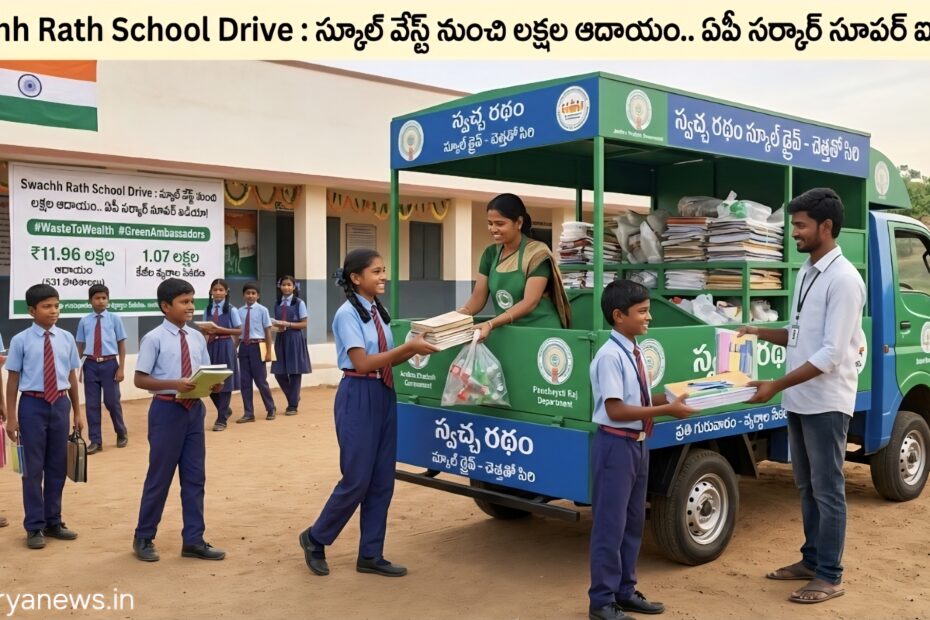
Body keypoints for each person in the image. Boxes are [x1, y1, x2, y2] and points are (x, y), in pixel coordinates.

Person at [741, 188, 866, 605]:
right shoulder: (806, 272)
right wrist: (759, 332)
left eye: (800, 225)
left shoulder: (845, 279)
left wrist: (775, 385)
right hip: (798, 398)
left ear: (825, 227)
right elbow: (798, 334)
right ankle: (811, 560)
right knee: (806, 486)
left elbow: (831, 353)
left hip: (826, 401)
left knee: (828, 489)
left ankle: (830, 575)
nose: (793, 232)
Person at [298, 249, 437, 577]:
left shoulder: (376, 310)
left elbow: (386, 358)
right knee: (357, 478)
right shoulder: (347, 314)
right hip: (359, 394)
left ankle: (371, 554)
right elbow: (361, 362)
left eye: (383, 270)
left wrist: (416, 347)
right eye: (376, 271)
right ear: (356, 278)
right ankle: (315, 537)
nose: (383, 276)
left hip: (384, 393)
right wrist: (407, 348)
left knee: (382, 479)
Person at [587, 279, 695, 620]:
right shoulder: (609, 356)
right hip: (615, 446)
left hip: (637, 445)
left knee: (633, 523)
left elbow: (641, 401)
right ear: (619, 316)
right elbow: (617, 410)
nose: (649, 318)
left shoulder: (633, 350)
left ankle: (625, 590)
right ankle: (601, 602)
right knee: (610, 526)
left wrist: (678, 395)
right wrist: (666, 411)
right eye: (643, 312)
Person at [132, 278, 225, 562]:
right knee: (159, 477)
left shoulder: (197, 337)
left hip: (194, 412)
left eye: (191, 301)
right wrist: (175, 383)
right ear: (165, 306)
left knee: (195, 478)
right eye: (184, 302)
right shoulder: (154, 338)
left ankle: (194, 539)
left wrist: (214, 384)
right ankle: (144, 537)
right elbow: (140, 379)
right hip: (166, 411)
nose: (190, 307)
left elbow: (204, 370)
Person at [2, 284, 84, 550]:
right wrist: (12, 418)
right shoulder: (21, 340)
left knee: (57, 466)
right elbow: (13, 380)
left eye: (56, 306)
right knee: (32, 469)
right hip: (32, 407)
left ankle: (54, 521)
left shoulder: (66, 338)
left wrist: (78, 411)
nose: (54, 311)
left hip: (60, 405)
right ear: (31, 310)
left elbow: (71, 376)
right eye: (47, 306)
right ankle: (34, 526)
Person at [457, 193, 571, 338]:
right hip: (509, 332)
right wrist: (460, 314)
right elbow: (478, 296)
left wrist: (491, 324)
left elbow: (530, 302)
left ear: (518, 223)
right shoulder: (490, 254)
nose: (493, 229)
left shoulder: (536, 253)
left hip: (541, 334)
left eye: (499, 224)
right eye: (490, 223)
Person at [75, 284, 128, 454]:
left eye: (104, 298)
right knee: (91, 404)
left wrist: (121, 368)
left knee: (112, 402)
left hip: (110, 364)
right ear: (90, 300)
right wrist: (75, 366)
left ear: (108, 299)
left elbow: (121, 343)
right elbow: (80, 345)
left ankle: (121, 432)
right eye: (97, 298)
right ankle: (96, 441)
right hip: (90, 365)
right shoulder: (84, 321)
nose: (101, 301)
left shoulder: (114, 319)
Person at [197, 279, 242, 432]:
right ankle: (225, 410)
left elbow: (239, 331)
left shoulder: (231, 310)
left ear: (226, 292)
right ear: (210, 292)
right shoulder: (207, 309)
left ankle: (221, 419)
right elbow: (203, 329)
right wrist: (206, 330)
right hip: (210, 345)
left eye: (220, 290)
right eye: (215, 290)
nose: (217, 292)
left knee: (225, 382)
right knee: (209, 381)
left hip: (225, 345)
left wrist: (220, 330)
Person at [235, 282, 276, 423]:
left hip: (258, 346)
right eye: (248, 293)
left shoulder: (263, 310)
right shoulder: (238, 311)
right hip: (244, 347)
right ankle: (248, 413)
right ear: (243, 295)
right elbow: (237, 333)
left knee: (260, 380)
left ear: (258, 295)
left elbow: (267, 332)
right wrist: (234, 349)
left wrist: (269, 352)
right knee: (245, 381)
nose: (250, 296)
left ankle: (270, 408)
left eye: (253, 293)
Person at [271, 275, 311, 415]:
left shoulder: (299, 303)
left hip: (294, 338)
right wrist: (276, 326)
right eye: (284, 284)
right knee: (278, 372)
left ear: (294, 287)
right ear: (279, 286)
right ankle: (294, 396)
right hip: (281, 338)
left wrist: (288, 324)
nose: (286, 287)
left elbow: (304, 323)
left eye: (289, 285)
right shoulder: (277, 303)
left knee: (294, 371)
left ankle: (292, 405)